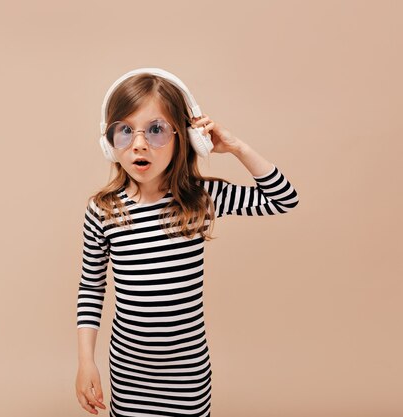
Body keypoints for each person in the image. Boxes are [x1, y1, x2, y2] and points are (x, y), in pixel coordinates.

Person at [74, 68, 299, 417]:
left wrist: (235, 146)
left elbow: (283, 198)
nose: (139, 143)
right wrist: (86, 361)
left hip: (187, 375)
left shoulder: (202, 199)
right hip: (130, 374)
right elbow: (91, 288)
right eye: (125, 131)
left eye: (156, 130)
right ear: (109, 142)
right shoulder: (103, 210)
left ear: (185, 138)